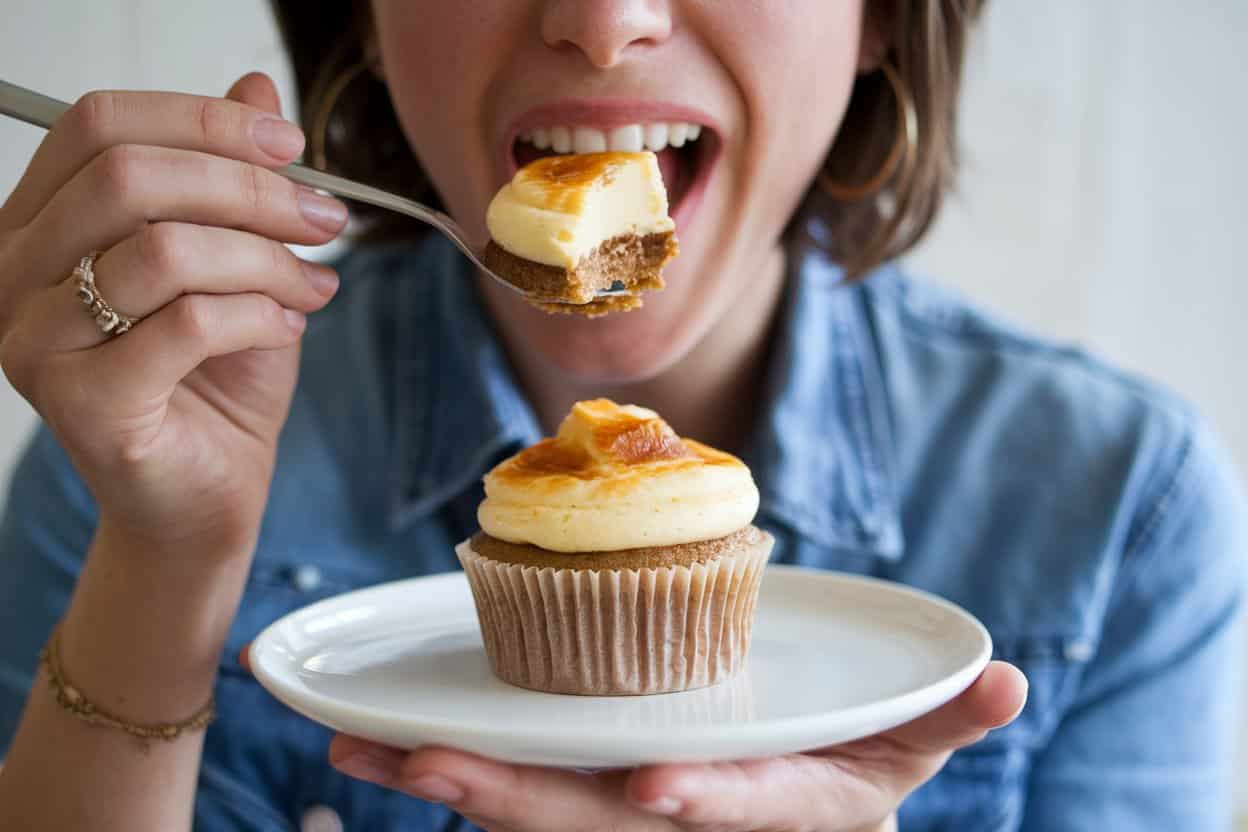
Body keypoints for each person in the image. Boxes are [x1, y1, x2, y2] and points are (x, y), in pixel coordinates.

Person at [0, 1, 1243, 829]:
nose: (602, 22)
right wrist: (166, 564)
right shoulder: (151, 435)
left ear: (882, 20)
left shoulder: (1126, 509)